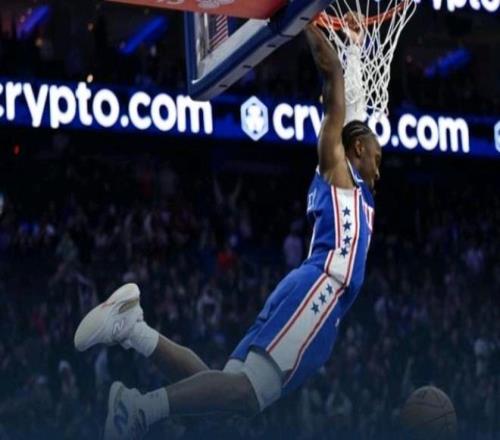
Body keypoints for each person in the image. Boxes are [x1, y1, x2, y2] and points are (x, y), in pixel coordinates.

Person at [73, 22, 382, 440]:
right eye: (377, 157)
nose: (380, 168)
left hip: (313, 292)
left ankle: (133, 329)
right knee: (247, 393)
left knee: (226, 404)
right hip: (323, 288)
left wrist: (357, 54)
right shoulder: (338, 171)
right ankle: (140, 408)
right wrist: (303, 16)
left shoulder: (355, 182)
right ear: (358, 149)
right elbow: (334, 83)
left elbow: (354, 107)